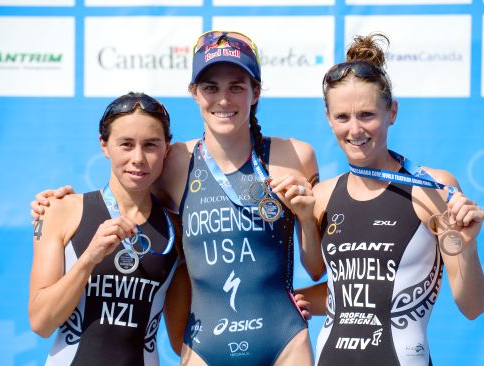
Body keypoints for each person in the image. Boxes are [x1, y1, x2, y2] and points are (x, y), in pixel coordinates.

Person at [31, 30, 322, 365]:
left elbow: (315, 268)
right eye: (211, 87)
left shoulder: (295, 156)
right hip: (205, 347)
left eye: (236, 87)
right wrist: (54, 203)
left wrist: (304, 218)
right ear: (194, 93)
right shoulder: (175, 162)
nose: (223, 99)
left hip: (283, 341)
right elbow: (127, 190)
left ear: (256, 91)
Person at [299, 33, 484, 365]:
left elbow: (473, 306)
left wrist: (468, 247)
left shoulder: (432, 187)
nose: (355, 130)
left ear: (392, 112)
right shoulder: (322, 195)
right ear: (328, 119)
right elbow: (332, 287)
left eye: (367, 115)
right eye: (343, 117)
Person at [29, 92, 189, 365]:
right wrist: (89, 258)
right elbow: (41, 322)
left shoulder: (176, 229)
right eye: (126, 144)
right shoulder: (60, 211)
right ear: (104, 145)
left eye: (150, 145)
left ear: (167, 148)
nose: (138, 158)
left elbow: (179, 341)